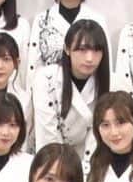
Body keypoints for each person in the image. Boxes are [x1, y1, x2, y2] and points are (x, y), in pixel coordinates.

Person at [32, 19, 110, 151]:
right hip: (54, 156)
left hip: (96, 158)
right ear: (67, 49)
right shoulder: (46, 79)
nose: (90, 58)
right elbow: (47, 135)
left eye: (97, 50)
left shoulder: (113, 81)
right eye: (82, 49)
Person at [28, 0, 110, 76]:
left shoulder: (97, 20)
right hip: (50, 85)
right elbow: (33, 65)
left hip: (88, 86)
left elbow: (105, 65)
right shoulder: (41, 20)